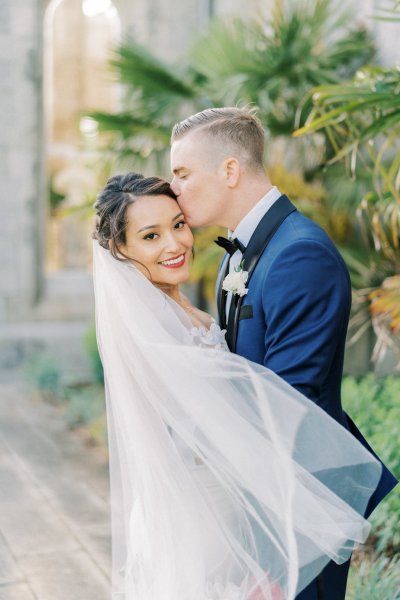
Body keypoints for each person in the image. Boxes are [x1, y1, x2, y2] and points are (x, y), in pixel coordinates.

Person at [93, 172, 384, 600]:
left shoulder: (172, 303)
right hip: (204, 514)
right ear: (121, 250)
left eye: (178, 225)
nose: (175, 244)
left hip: (225, 505)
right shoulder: (149, 330)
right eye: (151, 236)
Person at [170, 107, 398, 600]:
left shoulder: (300, 253)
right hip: (257, 497)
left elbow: (292, 402)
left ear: (230, 170)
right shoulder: (238, 254)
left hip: (298, 504)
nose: (175, 190)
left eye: (183, 174)